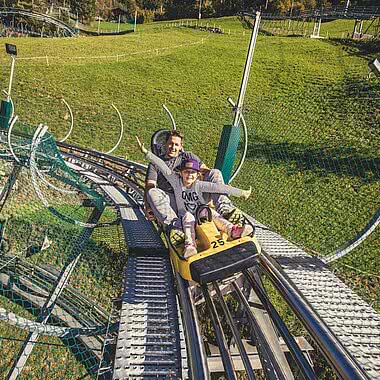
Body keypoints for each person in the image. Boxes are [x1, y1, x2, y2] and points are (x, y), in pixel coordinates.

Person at [137, 136, 253, 258]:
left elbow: (218, 187)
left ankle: (231, 225)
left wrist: (241, 192)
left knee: (213, 213)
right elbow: (160, 170)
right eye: (170, 143)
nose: (173, 147)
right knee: (186, 218)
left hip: (200, 208)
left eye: (176, 144)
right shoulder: (175, 181)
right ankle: (183, 237)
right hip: (177, 205)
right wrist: (146, 152)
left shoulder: (194, 174)